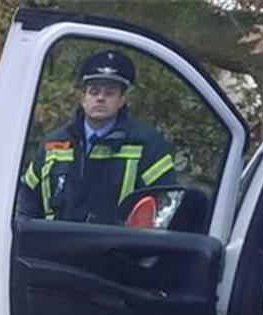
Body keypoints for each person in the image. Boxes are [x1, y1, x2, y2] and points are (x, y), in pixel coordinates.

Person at [17, 49, 177, 224]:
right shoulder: (54, 144)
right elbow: (27, 197)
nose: (100, 98)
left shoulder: (148, 145)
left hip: (118, 248)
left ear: (122, 99)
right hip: (53, 247)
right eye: (94, 92)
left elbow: (164, 203)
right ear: (83, 98)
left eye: (109, 93)